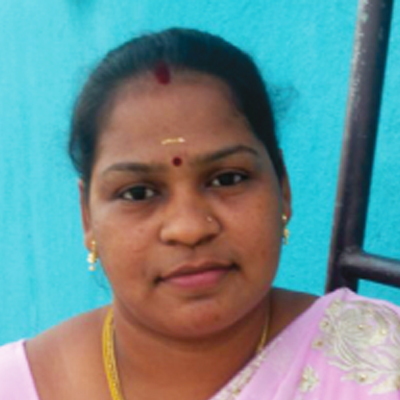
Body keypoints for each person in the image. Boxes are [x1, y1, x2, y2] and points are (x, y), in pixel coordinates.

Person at [0, 27, 399, 400]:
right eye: (138, 192)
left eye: (227, 179)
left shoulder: (382, 364)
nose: (189, 228)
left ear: (283, 188)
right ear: (87, 218)